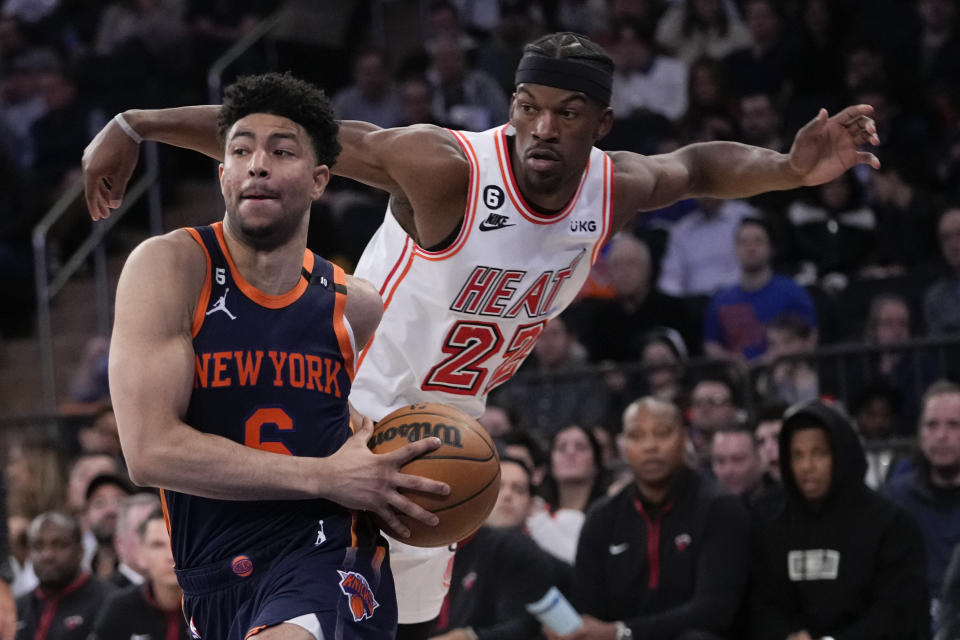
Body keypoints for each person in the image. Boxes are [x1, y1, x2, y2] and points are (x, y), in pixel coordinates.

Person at [82, 30, 881, 639]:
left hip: (440, 440)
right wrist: (139, 123)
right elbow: (302, 131)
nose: (541, 128)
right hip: (346, 417)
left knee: (413, 626)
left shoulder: (613, 188)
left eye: (566, 115)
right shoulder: (449, 169)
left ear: (600, 124)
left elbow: (699, 167)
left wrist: (789, 169)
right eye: (527, 106)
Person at [91, 73, 449, 640]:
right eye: (240, 150)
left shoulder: (355, 306)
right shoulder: (171, 268)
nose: (257, 164)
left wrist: (374, 462)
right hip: (212, 575)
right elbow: (150, 451)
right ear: (223, 174)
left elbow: (334, 422)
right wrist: (328, 474)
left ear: (318, 180)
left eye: (282, 151)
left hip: (328, 552)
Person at [559, 397, 750, 640]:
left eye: (662, 433)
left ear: (684, 439)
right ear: (623, 447)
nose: (650, 446)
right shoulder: (601, 518)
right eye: (637, 436)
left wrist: (622, 632)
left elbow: (713, 612)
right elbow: (589, 612)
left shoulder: (720, 508)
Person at [750, 400, 929, 640]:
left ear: (841, 454)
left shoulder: (890, 524)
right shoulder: (769, 520)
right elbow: (761, 603)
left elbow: (897, 611)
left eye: (819, 453)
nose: (807, 466)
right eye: (797, 455)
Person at [429, 458, 560, 640]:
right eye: (498, 486)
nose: (507, 495)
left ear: (531, 505)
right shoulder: (450, 549)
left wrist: (468, 637)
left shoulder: (527, 552)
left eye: (519, 489)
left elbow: (528, 627)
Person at [884, 380, 960, 620]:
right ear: (920, 433)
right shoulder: (895, 499)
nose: (941, 436)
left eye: (954, 425)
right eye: (932, 425)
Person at [704, 217, 818, 362]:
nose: (751, 248)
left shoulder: (793, 291)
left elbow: (811, 337)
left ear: (771, 247)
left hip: (786, 373)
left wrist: (774, 358)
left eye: (758, 241)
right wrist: (734, 364)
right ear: (735, 249)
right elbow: (711, 344)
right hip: (739, 379)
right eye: (743, 242)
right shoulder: (720, 299)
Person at [90, 507, 189, 640]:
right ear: (142, 553)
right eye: (157, 545)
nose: (170, 556)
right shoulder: (120, 608)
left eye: (176, 544)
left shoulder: (210, 607)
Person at [15, 512, 114, 640]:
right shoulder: (16, 608)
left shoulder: (108, 601)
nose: (47, 555)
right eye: (38, 546)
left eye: (59, 545)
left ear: (80, 551)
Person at [109, 492, 161, 588]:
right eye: (142, 530)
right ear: (119, 543)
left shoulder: (179, 591)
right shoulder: (107, 596)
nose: (150, 538)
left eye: (158, 531)